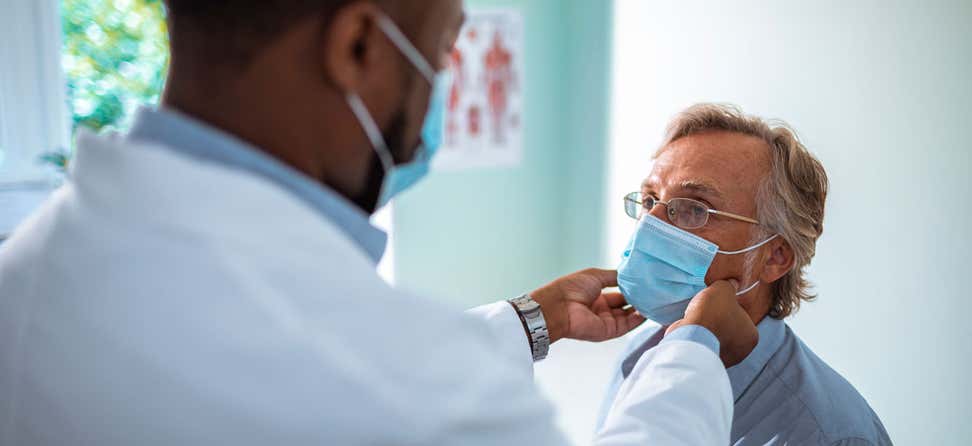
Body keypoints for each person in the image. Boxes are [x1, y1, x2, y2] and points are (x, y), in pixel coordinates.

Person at [0, 1, 759, 445]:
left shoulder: (30, 267)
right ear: (358, 46)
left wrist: (532, 320)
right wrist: (692, 355)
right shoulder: (421, 394)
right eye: (440, 52)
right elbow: (369, 366)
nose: (438, 98)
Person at [597, 103, 891, 445]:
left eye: (694, 208)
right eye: (650, 201)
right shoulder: (644, 352)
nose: (649, 225)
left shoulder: (830, 434)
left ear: (775, 256)